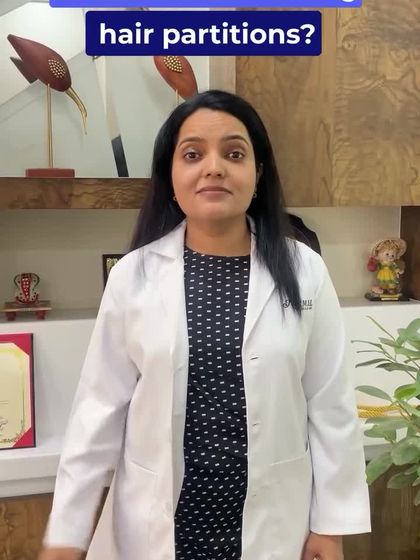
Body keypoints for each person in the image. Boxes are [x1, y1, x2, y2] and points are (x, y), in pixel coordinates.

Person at [39, 90, 371, 560]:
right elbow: (97, 414)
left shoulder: (305, 271)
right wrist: (67, 535)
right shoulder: (133, 276)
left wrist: (331, 527)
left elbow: (331, 406)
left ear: (258, 173)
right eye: (192, 155)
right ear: (171, 176)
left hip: (273, 525)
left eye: (234, 154)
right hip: (157, 529)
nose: (213, 168)